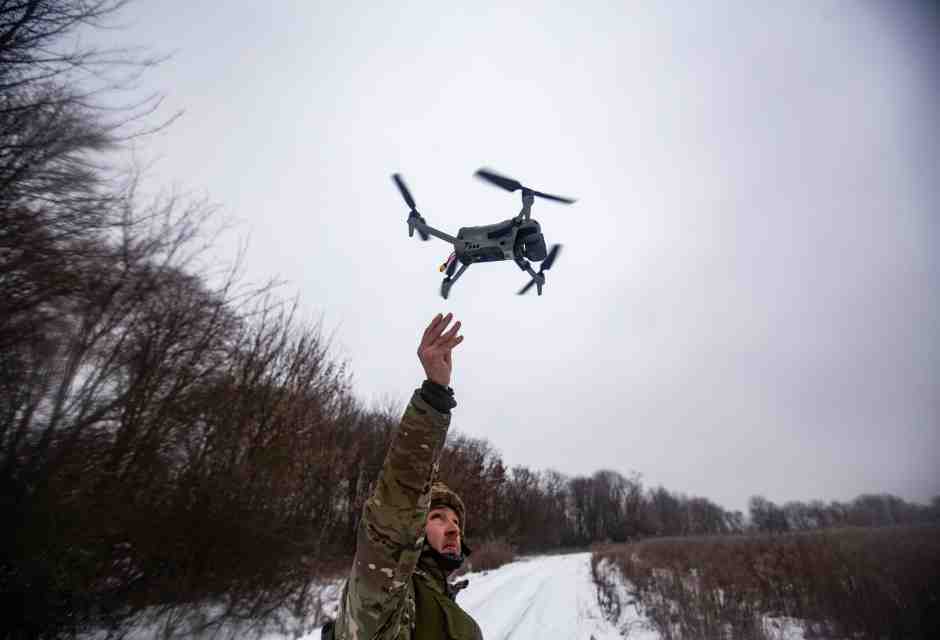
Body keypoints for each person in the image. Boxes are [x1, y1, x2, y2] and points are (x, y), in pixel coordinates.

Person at [328, 313, 483, 640]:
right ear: (416, 529)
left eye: (455, 520)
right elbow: (396, 514)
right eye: (438, 517)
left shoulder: (459, 618)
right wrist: (434, 398)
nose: (453, 526)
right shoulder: (391, 597)